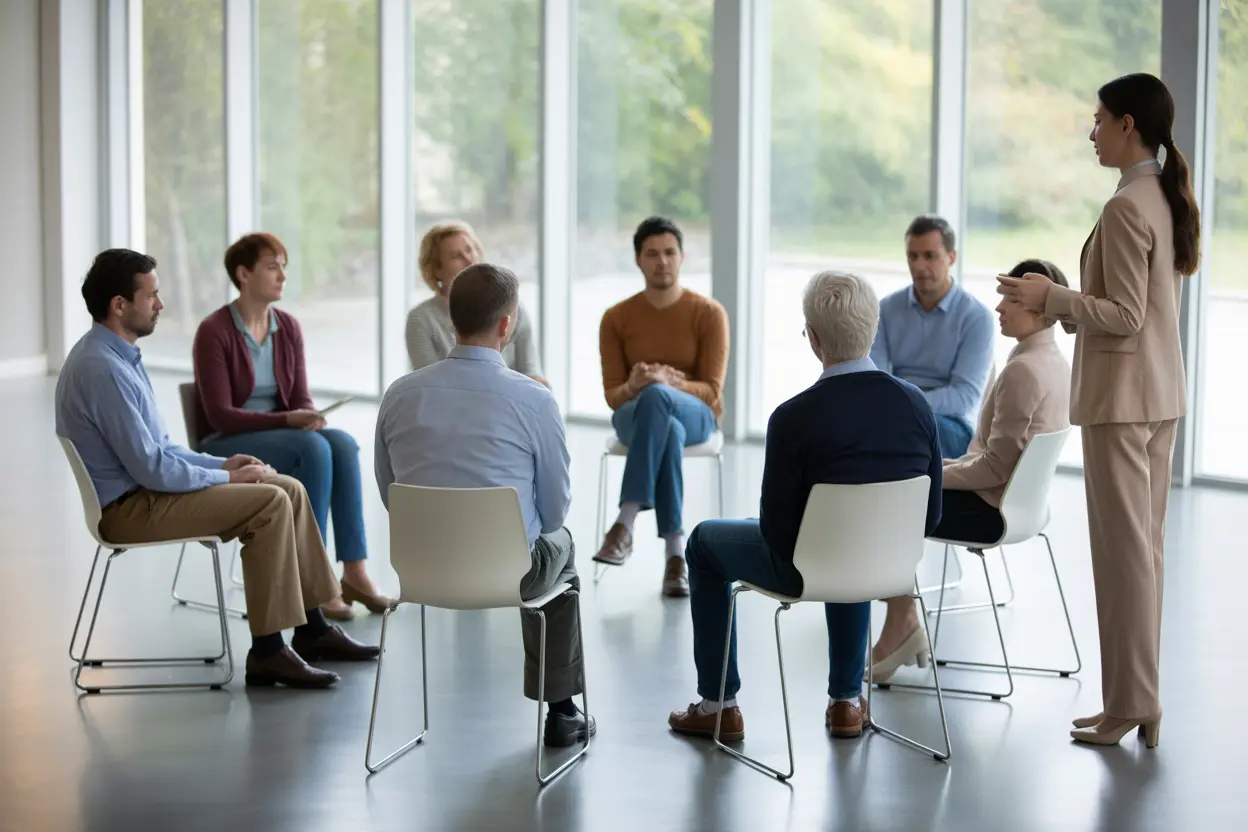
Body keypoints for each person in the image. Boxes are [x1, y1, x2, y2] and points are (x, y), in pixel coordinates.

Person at [56, 249, 380, 689]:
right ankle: (268, 651)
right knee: (268, 501)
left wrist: (221, 463)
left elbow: (162, 448)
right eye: (151, 295)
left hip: (146, 492)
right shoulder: (102, 369)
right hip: (130, 508)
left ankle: (312, 627)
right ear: (119, 305)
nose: (160, 304)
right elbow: (153, 469)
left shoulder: (120, 357)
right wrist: (228, 478)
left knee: (289, 487)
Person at [998, 73, 1200, 748]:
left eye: (1098, 119)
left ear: (1128, 126)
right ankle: (1137, 700)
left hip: (1122, 402)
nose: (1090, 132)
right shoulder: (1161, 196)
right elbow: (1139, 310)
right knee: (1142, 554)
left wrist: (1050, 295)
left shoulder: (1126, 206)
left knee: (1123, 557)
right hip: (1159, 394)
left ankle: (1130, 704)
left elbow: (1124, 314)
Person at [667, 271, 942, 742]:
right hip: (888, 566)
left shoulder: (793, 418)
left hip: (806, 569)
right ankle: (846, 702)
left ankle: (719, 704)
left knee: (704, 543)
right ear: (873, 328)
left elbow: (777, 533)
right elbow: (931, 514)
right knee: (853, 543)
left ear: (813, 338)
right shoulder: (916, 405)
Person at [376, 262, 594, 747]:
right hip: (510, 571)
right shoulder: (534, 400)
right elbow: (554, 512)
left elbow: (389, 489)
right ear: (506, 324)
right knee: (563, 550)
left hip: (422, 568)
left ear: (451, 321)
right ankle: (561, 711)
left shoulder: (399, 394)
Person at [871, 258, 1073, 680]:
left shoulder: (1023, 371)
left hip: (993, 509)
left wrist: (932, 476)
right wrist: (943, 466)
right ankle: (902, 618)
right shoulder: (1053, 361)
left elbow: (996, 468)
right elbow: (999, 461)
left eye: (1011, 300)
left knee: (891, 500)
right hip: (1024, 506)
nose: (999, 309)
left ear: (1040, 308)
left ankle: (901, 620)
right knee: (907, 485)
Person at [192, 233, 389, 621]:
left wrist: (308, 414)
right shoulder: (214, 331)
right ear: (243, 273)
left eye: (284, 266)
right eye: (272, 266)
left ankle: (355, 572)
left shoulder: (288, 327)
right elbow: (219, 415)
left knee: (343, 444)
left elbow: (299, 395)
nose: (282, 275)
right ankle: (313, 581)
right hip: (230, 440)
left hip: (283, 434)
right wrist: (288, 420)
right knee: (314, 449)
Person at [593, 216, 730, 597]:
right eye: (652, 254)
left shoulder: (708, 313)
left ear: (683, 257)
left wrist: (670, 384)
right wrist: (637, 384)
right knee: (665, 426)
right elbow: (613, 396)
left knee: (660, 402)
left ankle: (624, 522)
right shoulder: (616, 318)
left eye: (670, 253)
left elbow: (713, 392)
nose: (662, 261)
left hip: (696, 413)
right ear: (638, 260)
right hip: (635, 416)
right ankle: (675, 554)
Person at [871, 215, 995, 458]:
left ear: (952, 257)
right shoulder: (884, 310)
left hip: (950, 424)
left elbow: (964, 395)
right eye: (912, 256)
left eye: (929, 255)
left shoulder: (976, 317)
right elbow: (878, 380)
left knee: (902, 432)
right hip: (894, 414)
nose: (918, 265)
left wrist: (906, 407)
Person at [406, 220, 546, 385]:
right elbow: (430, 384)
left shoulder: (513, 308)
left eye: (469, 249)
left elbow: (531, 373)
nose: (468, 260)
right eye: (456, 256)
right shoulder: (421, 319)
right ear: (436, 269)